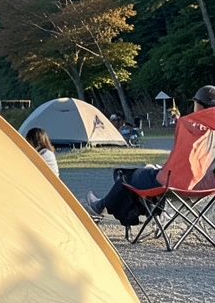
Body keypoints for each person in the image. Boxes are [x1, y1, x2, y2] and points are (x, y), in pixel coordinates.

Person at [88, 86, 215, 218]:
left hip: (176, 186)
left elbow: (180, 163)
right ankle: (126, 208)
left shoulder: (189, 126)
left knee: (128, 178)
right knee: (143, 174)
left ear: (200, 106)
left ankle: (101, 206)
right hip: (206, 189)